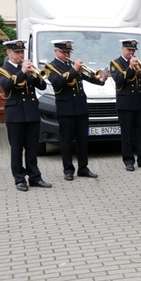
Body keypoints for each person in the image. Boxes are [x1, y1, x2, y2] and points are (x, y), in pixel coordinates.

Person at [0, 40, 52, 191]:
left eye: (22, 52)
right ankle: (19, 179)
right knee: (17, 149)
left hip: (31, 112)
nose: (20, 55)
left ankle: (35, 177)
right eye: (17, 52)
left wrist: (35, 73)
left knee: (32, 148)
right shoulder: (2, 70)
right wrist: (23, 72)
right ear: (9, 53)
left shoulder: (27, 68)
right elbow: (7, 86)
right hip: (15, 115)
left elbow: (42, 86)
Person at [45, 40, 106, 180]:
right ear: (56, 51)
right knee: (66, 140)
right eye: (63, 52)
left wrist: (101, 80)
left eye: (68, 52)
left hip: (81, 108)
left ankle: (83, 168)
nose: (67, 54)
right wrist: (74, 70)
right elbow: (57, 83)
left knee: (83, 140)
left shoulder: (74, 65)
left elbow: (88, 77)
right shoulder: (50, 66)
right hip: (65, 109)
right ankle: (68, 170)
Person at [110, 39, 141, 172]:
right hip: (125, 104)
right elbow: (119, 80)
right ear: (123, 49)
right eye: (129, 50)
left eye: (133, 50)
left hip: (138, 103)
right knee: (127, 134)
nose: (131, 53)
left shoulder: (137, 63)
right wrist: (130, 67)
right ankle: (128, 160)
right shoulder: (115, 63)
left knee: (140, 132)